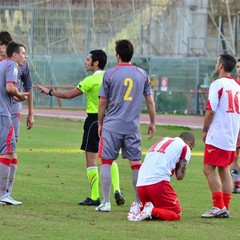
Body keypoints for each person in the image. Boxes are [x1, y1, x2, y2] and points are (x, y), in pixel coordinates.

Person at [36, 50, 125, 206]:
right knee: (109, 158)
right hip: (112, 121)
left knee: (91, 160)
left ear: (96, 62)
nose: (85, 62)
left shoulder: (91, 79)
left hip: (93, 121)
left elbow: (70, 95)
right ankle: (117, 189)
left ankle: (95, 196)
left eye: (88, 59)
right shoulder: (111, 78)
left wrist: (49, 92)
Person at [96, 39, 156, 212]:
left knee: (106, 162)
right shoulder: (142, 74)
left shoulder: (110, 74)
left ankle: (106, 202)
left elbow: (102, 102)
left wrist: (100, 123)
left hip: (112, 126)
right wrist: (152, 122)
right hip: (132, 127)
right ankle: (138, 204)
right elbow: (150, 101)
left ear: (117, 55)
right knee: (136, 165)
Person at [201, 53, 240, 218]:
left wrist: (204, 129)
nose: (216, 65)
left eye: (217, 63)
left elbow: (210, 111)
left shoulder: (217, 84)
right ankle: (225, 207)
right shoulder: (237, 86)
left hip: (218, 134)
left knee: (208, 169)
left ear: (221, 66)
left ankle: (218, 207)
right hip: (231, 134)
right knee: (224, 169)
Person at [127, 132, 195, 221]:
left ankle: (139, 208)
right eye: (191, 148)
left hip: (140, 184)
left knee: (160, 210)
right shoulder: (185, 147)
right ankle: (150, 210)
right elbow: (179, 176)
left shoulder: (164, 139)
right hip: (158, 183)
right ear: (190, 143)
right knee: (176, 213)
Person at [0, 31, 34, 203]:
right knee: (8, 151)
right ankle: (3, 194)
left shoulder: (19, 65)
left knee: (10, 150)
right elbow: (10, 88)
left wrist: (30, 112)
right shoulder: (11, 65)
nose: (25, 56)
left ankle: (7, 192)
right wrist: (20, 95)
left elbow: (29, 87)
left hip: (12, 112)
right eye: (23, 53)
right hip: (4, 113)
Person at [230, 59, 240, 194]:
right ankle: (238, 184)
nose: (239, 69)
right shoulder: (232, 84)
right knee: (233, 157)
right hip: (236, 126)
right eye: (238, 67)